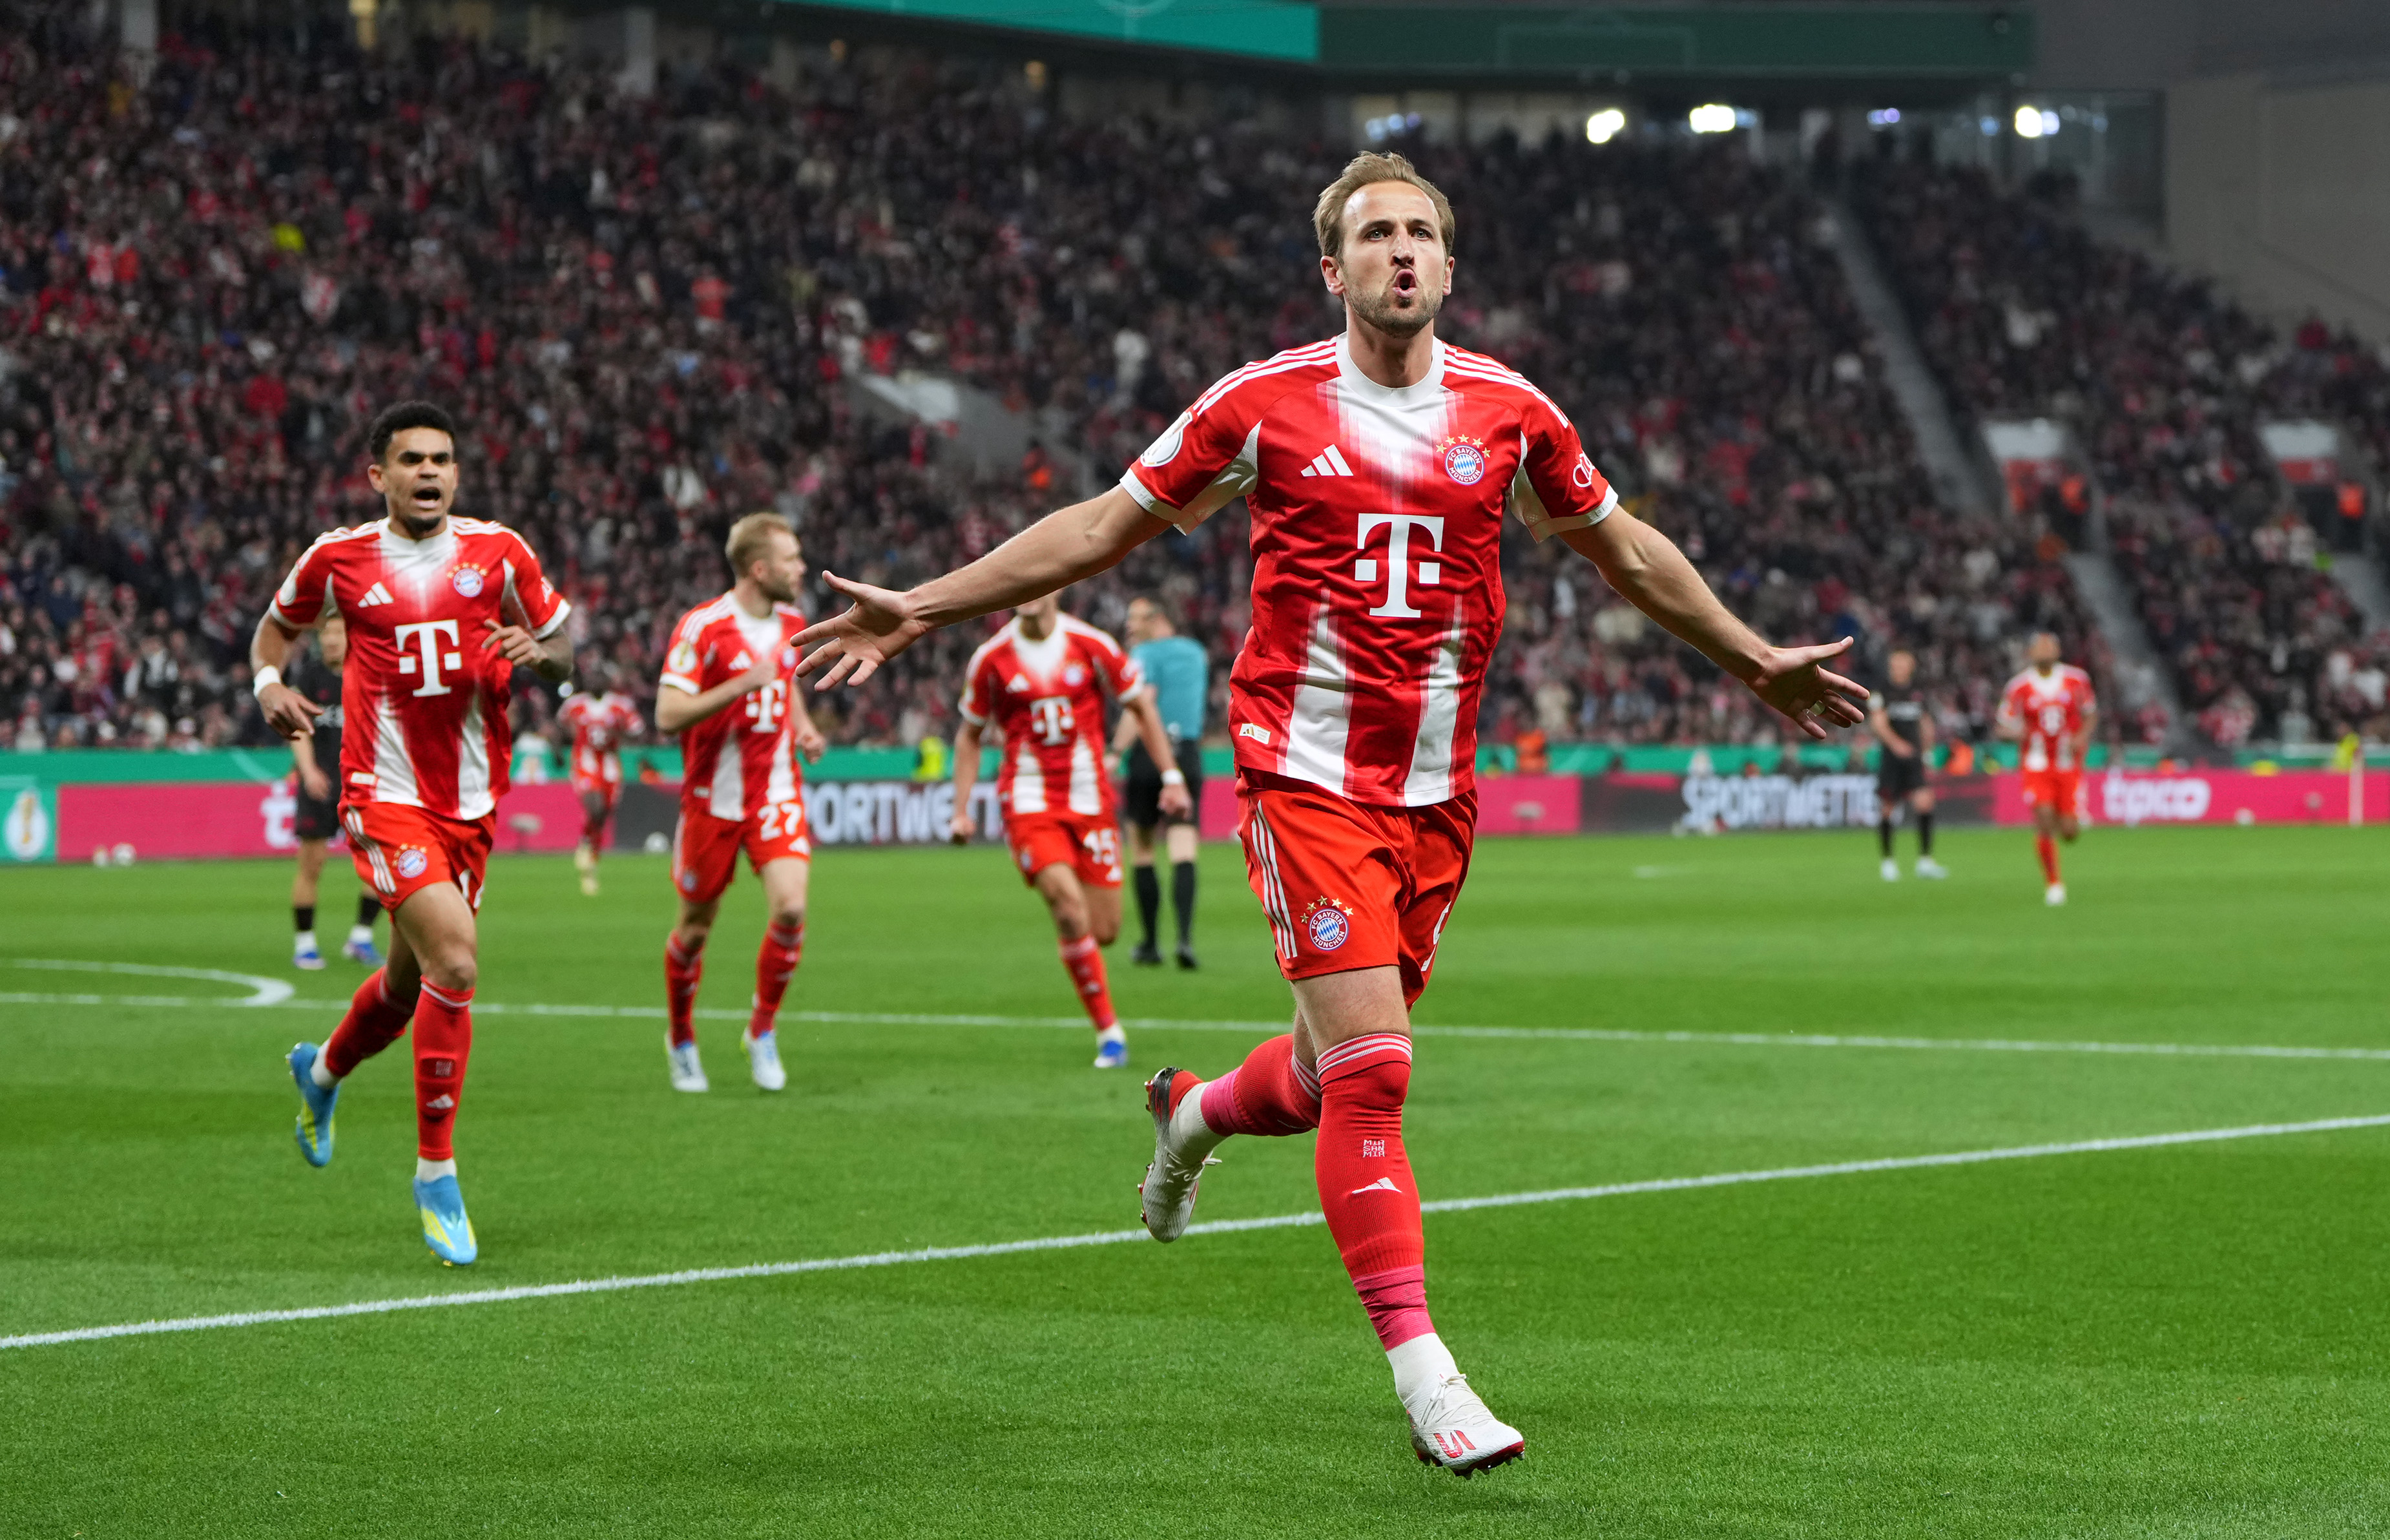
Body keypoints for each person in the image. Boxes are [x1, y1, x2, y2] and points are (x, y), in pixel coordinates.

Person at [790, 152, 1867, 1473]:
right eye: (1375, 235)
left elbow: (1624, 549)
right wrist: (928, 601)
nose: (1401, 252)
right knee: (1375, 1069)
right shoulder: (1260, 406)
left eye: (1422, 233)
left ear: (1450, 267)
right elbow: (1095, 530)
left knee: (1316, 1076)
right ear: (1333, 268)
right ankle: (1429, 1380)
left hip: (1434, 797)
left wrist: (1751, 657)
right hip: (1301, 778)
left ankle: (1188, 1115)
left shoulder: (1514, 412)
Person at [256, 400, 575, 1266]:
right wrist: (265, 685)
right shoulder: (341, 556)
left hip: (471, 805)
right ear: (379, 476)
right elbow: (275, 630)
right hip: (382, 793)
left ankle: (319, 1072)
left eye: (442, 459)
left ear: (457, 473)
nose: (429, 472)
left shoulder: (498, 551)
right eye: (411, 461)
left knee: (406, 990)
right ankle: (436, 1174)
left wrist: (541, 657)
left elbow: (565, 650)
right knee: (460, 963)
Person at [948, 592, 1189, 1068]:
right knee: (1066, 905)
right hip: (1028, 800)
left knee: (1104, 930)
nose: (1030, 591)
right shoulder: (991, 658)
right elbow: (969, 734)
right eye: (1021, 582)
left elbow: (1141, 707)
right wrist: (961, 810)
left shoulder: (1092, 644)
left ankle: (1092, 980)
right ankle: (1110, 1033)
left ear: (1058, 587)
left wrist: (1172, 776)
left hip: (1091, 801)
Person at [653, 512, 827, 1094]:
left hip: (775, 788)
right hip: (712, 801)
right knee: (696, 930)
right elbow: (667, 714)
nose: (802, 568)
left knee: (791, 909)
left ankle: (762, 1029)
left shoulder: (795, 622)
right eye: (792, 560)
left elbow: (785, 685)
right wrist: (737, 686)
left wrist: (801, 726)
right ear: (760, 569)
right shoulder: (703, 627)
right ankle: (680, 1037)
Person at [1109, 593, 1208, 968]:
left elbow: (1142, 704)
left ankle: (1151, 943)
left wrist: (1116, 751)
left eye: (1136, 619)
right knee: (1184, 847)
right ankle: (1184, 939)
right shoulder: (1196, 653)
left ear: (1158, 617)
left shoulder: (1145, 656)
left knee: (1144, 847)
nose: (1130, 627)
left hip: (1151, 757)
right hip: (1188, 754)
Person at [284, 612, 384, 968]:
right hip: (320, 784)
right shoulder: (309, 678)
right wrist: (308, 769)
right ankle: (305, 944)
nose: (330, 640)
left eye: (338, 632)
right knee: (312, 864)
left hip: (363, 786)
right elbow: (296, 726)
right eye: (325, 633)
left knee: (379, 864)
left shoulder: (371, 674)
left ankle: (361, 938)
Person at [1997, 631, 2096, 906]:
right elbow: (2003, 725)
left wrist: (2082, 737)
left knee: (2069, 832)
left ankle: (2060, 834)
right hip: (2036, 763)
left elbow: (2090, 714)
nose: (2045, 651)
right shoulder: (2019, 686)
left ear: (2058, 650)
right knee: (2043, 818)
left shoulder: (2077, 680)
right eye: (2039, 647)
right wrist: (2016, 733)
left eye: (2049, 646)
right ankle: (2053, 884)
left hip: (2067, 764)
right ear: (2030, 653)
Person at [559, 667, 641, 897]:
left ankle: (590, 854)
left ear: (607, 683)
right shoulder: (575, 704)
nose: (595, 682)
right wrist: (560, 748)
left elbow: (637, 729)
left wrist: (622, 732)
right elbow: (560, 724)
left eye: (600, 678)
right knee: (594, 808)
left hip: (610, 765)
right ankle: (587, 846)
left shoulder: (620, 705)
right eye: (592, 678)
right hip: (584, 762)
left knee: (603, 813)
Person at [1867, 648, 1946, 881]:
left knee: (1925, 804)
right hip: (1892, 758)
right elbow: (1878, 722)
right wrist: (1896, 744)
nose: (1901, 666)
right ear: (1891, 664)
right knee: (1888, 808)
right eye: (1897, 662)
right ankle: (1888, 862)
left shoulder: (1918, 691)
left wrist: (1928, 751)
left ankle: (1925, 861)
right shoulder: (1881, 690)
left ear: (1911, 664)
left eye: (1905, 662)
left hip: (1914, 758)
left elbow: (1925, 722)